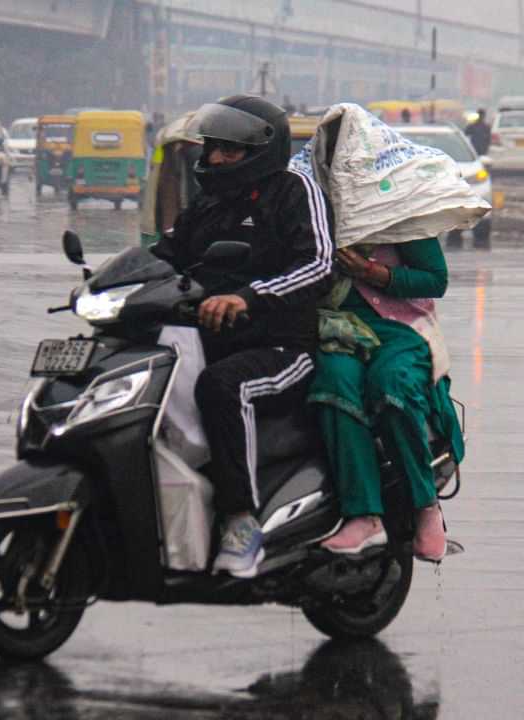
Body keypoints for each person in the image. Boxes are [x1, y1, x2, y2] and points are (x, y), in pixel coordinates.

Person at [150, 95, 333, 577]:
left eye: (229, 151)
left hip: (282, 346)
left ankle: (241, 522)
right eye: (213, 149)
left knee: (222, 386)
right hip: (208, 338)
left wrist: (249, 297)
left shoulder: (294, 191)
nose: (214, 159)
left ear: (261, 151)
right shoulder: (208, 204)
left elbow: (318, 264)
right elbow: (165, 253)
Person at [312, 237, 465, 562]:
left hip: (399, 328)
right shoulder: (312, 200)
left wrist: (370, 271)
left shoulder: (396, 201)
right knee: (335, 382)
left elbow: (435, 279)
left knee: (390, 385)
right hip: (335, 327)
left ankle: (424, 505)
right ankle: (364, 516)